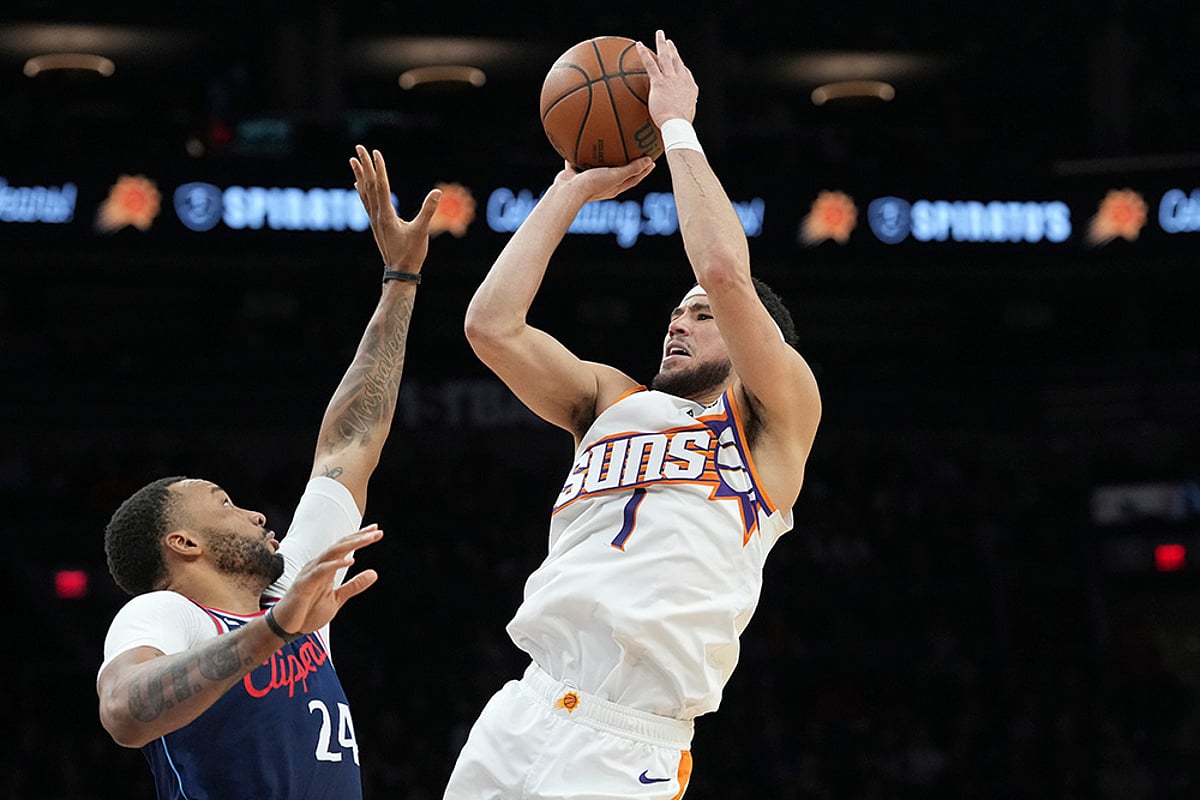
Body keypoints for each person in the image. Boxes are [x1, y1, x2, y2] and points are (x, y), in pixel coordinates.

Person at [450, 29, 822, 799]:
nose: (677, 322)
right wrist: (570, 189)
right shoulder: (609, 401)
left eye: (699, 315)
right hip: (522, 708)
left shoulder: (774, 418)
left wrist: (678, 124)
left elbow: (721, 271)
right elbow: (490, 326)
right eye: (674, 313)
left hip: (630, 740)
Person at [95, 146, 441, 800]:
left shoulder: (294, 596)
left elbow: (351, 441)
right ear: (183, 543)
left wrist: (400, 278)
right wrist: (274, 634)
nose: (256, 513)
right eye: (224, 503)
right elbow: (122, 711)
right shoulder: (167, 614)